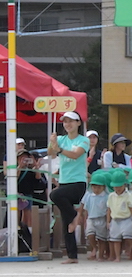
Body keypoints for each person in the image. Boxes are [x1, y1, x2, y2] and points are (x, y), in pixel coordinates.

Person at [47, 110, 90, 264]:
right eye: (65, 121)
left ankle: (75, 217)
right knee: (66, 221)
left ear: (78, 123)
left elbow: (75, 155)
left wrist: (59, 149)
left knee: (54, 195)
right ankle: (72, 255)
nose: (67, 124)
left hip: (78, 183)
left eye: (71, 121)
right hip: (64, 181)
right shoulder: (60, 139)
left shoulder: (83, 140)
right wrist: (53, 143)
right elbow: (50, 154)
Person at [104, 169, 132, 262]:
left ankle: (129, 249)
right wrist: (108, 221)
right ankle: (117, 257)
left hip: (126, 219)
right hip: (115, 219)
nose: (118, 188)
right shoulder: (111, 196)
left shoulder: (128, 195)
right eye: (115, 186)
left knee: (128, 236)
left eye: (120, 186)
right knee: (115, 239)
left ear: (125, 185)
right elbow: (109, 209)